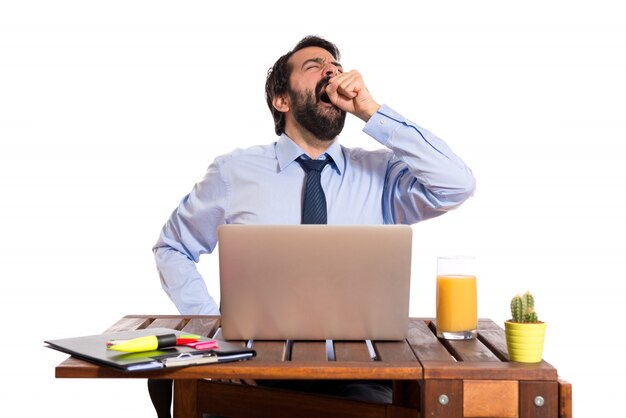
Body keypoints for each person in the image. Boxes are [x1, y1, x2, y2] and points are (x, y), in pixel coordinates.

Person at [150, 35, 475, 417]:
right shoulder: (233, 172)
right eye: (314, 66)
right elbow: (173, 248)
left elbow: (457, 184)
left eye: (335, 67)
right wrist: (215, 334)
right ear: (282, 100)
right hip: (254, 371)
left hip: (362, 374)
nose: (331, 71)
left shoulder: (382, 173)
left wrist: (371, 110)